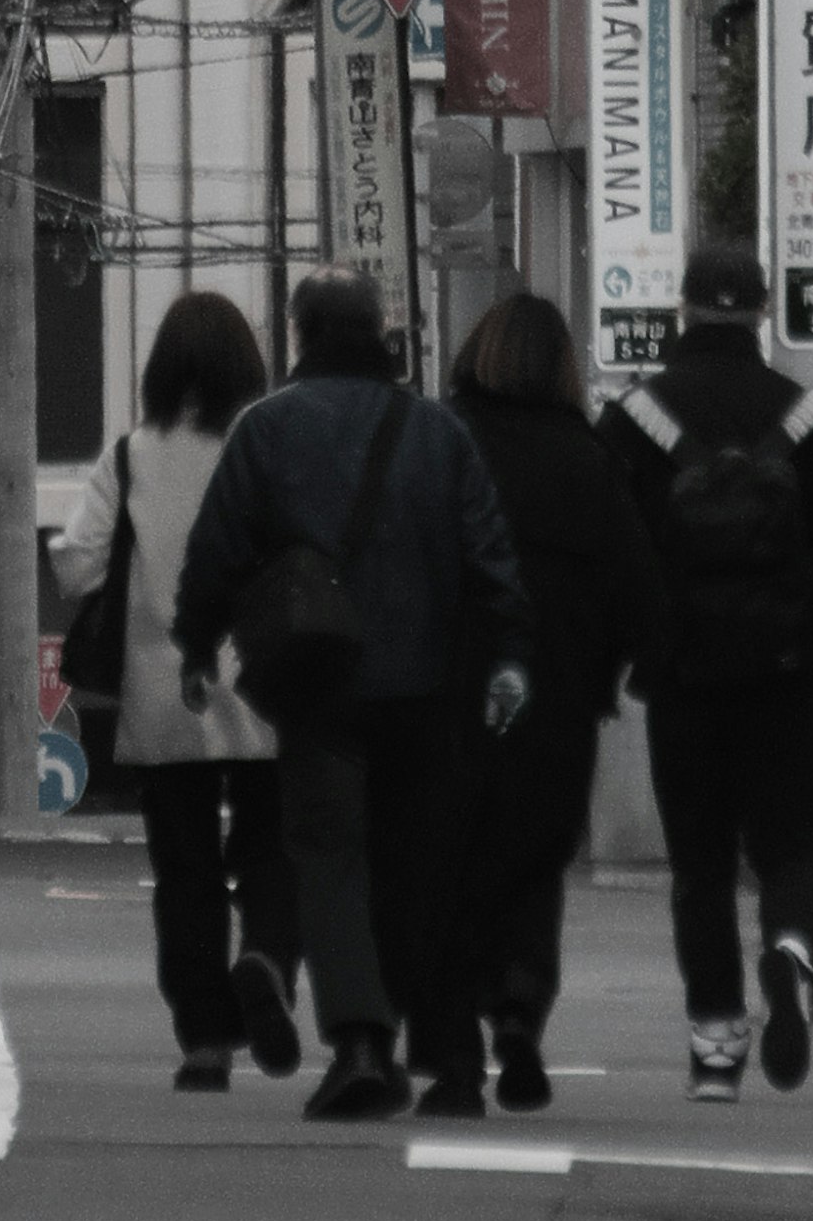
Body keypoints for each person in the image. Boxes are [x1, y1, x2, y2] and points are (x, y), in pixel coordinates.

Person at [170, 270, 533, 1124]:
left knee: (331, 862)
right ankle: (451, 1063)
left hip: (318, 682)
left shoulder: (267, 428)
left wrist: (194, 643)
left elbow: (216, 548)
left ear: (300, 334)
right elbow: (490, 554)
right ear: (381, 332)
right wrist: (509, 655)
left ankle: (363, 1045)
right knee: (427, 871)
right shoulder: (439, 430)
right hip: (429, 686)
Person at [600, 233, 813, 1102]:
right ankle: (792, 943)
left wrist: (647, 645)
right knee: (799, 839)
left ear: (683, 308)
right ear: (761, 310)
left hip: (685, 681)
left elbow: (611, 553)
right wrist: (807, 632)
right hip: (787, 677)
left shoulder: (636, 415)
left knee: (701, 864)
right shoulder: (807, 415)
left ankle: (716, 1046)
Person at [53, 289, 301, 1096]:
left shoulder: (130, 453)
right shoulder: (268, 441)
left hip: (162, 686)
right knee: (270, 843)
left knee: (185, 868)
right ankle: (264, 955)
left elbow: (80, 560)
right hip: (264, 680)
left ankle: (203, 1037)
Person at [442, 288, 664, 1113]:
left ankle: (457, 1051)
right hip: (561, 699)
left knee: (455, 864)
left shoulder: (446, 439)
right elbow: (637, 585)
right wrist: (625, 666)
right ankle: (520, 1018)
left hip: (457, 690)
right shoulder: (588, 458)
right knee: (535, 867)